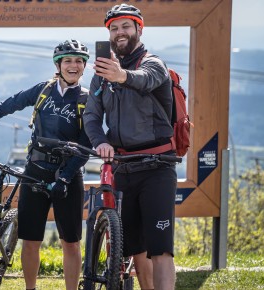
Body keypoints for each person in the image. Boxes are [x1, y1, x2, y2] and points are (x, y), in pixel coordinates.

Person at [0, 39, 92, 290]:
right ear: (58, 65)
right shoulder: (43, 90)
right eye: (68, 61)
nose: (73, 65)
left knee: (71, 242)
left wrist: (65, 177)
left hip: (68, 176)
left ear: (84, 66)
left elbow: (85, 146)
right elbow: (5, 107)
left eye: (79, 61)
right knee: (30, 240)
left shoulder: (87, 99)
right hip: (35, 172)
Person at [82, 4, 177, 290]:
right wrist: (100, 141)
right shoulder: (101, 75)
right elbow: (91, 116)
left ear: (139, 29)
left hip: (157, 168)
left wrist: (120, 75)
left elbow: (145, 80)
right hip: (123, 168)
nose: (119, 32)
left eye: (126, 26)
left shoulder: (153, 63)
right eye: (113, 28)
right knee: (136, 248)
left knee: (160, 250)